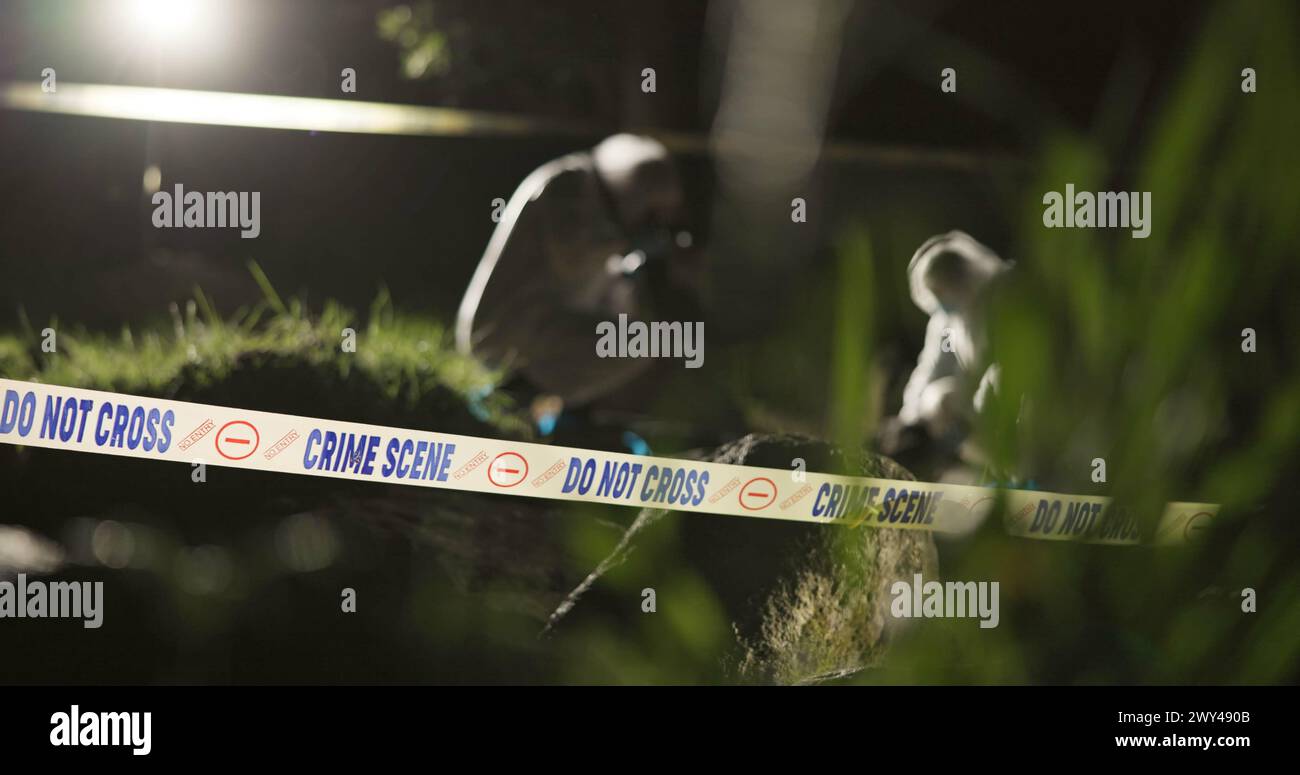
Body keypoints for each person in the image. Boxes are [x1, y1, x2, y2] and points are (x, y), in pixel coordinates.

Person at [456, 134, 703, 425]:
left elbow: (620, 308)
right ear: (636, 190)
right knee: (643, 341)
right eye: (652, 211)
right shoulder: (566, 185)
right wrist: (632, 245)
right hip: (506, 330)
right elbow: (570, 259)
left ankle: (543, 407)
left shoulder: (609, 219)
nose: (656, 221)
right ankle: (515, 398)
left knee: (644, 340)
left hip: (546, 327)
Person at [884, 231, 1011, 465]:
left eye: (947, 285)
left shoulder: (1008, 292)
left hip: (1024, 401)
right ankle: (996, 468)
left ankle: (1030, 470)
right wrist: (907, 420)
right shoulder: (948, 321)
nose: (944, 297)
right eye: (936, 293)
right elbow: (930, 369)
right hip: (983, 408)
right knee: (936, 400)